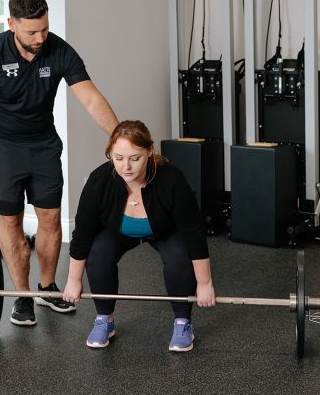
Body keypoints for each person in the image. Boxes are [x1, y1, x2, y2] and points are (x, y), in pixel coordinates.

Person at [0, 0, 118, 327]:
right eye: (31, 31)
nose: (40, 37)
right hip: (3, 147)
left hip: (44, 144)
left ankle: (47, 288)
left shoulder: (59, 50)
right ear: (11, 24)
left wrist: (120, 136)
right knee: (12, 222)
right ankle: (22, 296)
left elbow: (91, 98)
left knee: (50, 218)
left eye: (44, 29)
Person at [63, 120, 216, 352]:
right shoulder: (99, 181)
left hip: (163, 230)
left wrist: (205, 283)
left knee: (178, 255)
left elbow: (194, 233)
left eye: (135, 158)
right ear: (110, 154)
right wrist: (73, 280)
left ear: (150, 151)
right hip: (118, 231)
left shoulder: (171, 179)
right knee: (98, 252)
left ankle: (183, 322)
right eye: (118, 158)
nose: (126, 167)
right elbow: (82, 234)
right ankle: (105, 319)